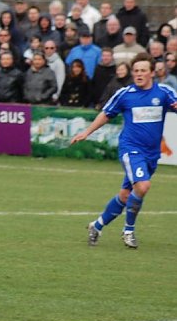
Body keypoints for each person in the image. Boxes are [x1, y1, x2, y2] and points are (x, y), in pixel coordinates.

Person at [72, 53, 177, 249]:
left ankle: (97, 225)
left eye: (143, 71)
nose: (139, 74)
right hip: (131, 149)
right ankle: (128, 231)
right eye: (136, 71)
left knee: (125, 196)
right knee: (143, 186)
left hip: (152, 154)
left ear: (152, 73)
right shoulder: (125, 94)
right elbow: (106, 114)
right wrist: (86, 132)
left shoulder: (163, 92)